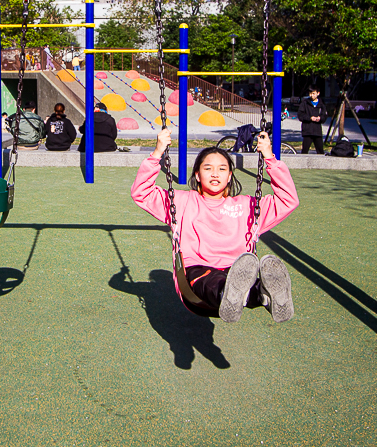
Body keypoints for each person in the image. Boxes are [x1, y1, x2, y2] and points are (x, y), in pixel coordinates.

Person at [131, 129, 300, 323]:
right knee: (213, 281)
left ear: (229, 176)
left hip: (238, 268)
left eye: (222, 169)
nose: (215, 174)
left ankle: (264, 294)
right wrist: (157, 152)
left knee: (244, 278)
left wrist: (270, 158)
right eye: (208, 168)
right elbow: (141, 193)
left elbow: (288, 200)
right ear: (197, 174)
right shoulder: (181, 201)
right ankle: (233, 294)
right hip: (197, 273)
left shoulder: (247, 206)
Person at [297, 84, 328, 154]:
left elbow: (325, 115)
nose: (312, 95)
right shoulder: (305, 103)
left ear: (318, 93)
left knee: (320, 151)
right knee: (304, 151)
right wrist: (310, 118)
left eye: (313, 93)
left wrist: (320, 118)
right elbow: (300, 115)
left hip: (317, 131)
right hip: (307, 131)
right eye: (310, 93)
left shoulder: (321, 104)